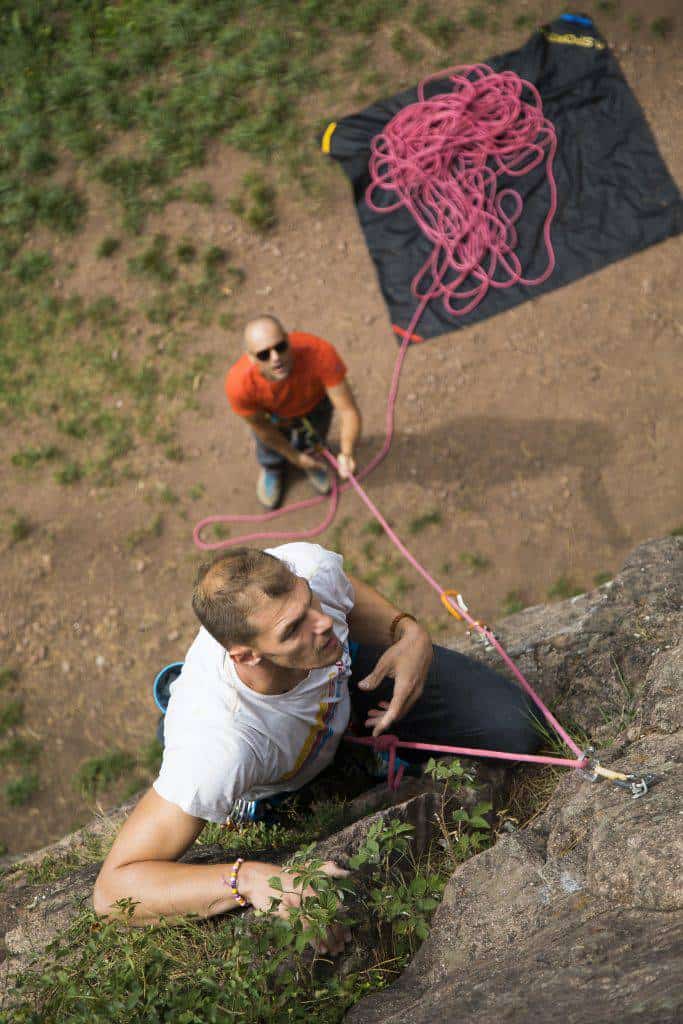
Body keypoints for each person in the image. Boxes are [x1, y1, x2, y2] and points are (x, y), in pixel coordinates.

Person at [93, 543, 541, 952]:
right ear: (247, 656)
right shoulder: (219, 749)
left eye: (308, 600)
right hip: (279, 768)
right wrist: (248, 880)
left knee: (517, 727)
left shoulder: (308, 574)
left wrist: (406, 633)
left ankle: (344, 738)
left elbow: (342, 595)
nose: (323, 622)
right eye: (293, 628)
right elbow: (113, 891)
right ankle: (177, 703)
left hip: (338, 680)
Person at [225, 316, 362, 508]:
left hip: (315, 404)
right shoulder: (239, 385)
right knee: (268, 445)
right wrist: (293, 457)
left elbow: (348, 410)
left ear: (288, 339)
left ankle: (313, 458)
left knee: (315, 436)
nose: (276, 358)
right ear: (250, 357)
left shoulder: (320, 353)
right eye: (264, 355)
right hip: (273, 415)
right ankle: (273, 467)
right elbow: (262, 428)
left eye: (280, 346)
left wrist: (347, 453)